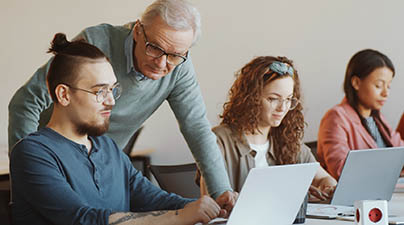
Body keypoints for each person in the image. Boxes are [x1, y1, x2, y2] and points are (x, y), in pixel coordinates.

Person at [8, 0, 236, 203]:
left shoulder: (180, 67)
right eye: (154, 48)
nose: (161, 63)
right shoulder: (97, 42)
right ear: (138, 30)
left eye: (175, 55)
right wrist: (28, 170)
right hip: (56, 160)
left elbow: (196, 127)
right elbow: (25, 102)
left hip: (104, 163)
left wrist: (221, 191)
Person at [198, 56, 337, 201]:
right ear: (251, 98)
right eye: (273, 99)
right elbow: (210, 202)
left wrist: (328, 186)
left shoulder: (286, 139)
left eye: (288, 99)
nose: (283, 108)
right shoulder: (219, 140)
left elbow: (323, 178)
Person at [317, 49, 404, 180]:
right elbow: (341, 170)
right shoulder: (336, 117)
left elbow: (400, 151)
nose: (386, 93)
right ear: (356, 83)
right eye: (379, 85)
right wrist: (390, 172)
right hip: (354, 198)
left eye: (389, 86)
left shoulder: (377, 119)